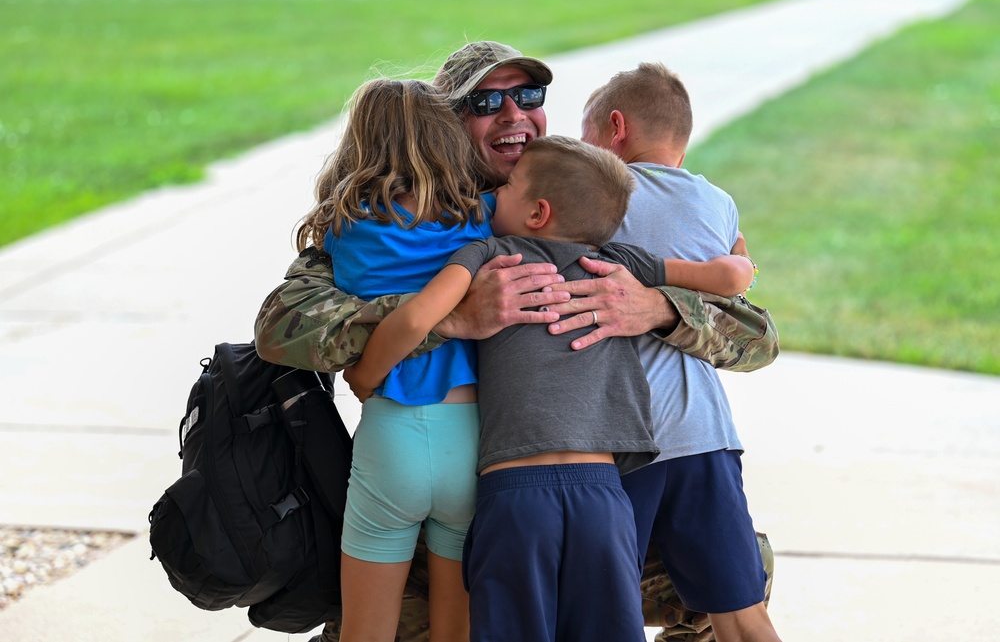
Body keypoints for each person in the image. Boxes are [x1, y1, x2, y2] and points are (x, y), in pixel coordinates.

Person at [254, 42, 779, 642]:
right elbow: (282, 325)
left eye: (529, 97)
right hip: (452, 505)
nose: (513, 115)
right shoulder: (407, 214)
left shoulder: (586, 194)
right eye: (486, 102)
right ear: (447, 123)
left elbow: (756, 334)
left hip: (577, 495)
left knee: (739, 574)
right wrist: (450, 315)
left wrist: (655, 307)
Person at [343, 134, 755, 642]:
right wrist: (743, 264)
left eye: (509, 186)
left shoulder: (488, 254)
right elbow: (725, 278)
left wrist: (364, 376)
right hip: (602, 497)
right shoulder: (620, 263)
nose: (495, 194)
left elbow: (417, 317)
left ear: (537, 212)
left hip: (514, 498)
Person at [581, 62, 781, 642]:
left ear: (615, 128)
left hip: (620, 443)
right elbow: (736, 289)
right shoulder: (719, 205)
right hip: (706, 436)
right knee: (742, 610)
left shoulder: (593, 199)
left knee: (605, 614)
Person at [300, 77, 492, 642]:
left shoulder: (343, 228)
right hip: (471, 435)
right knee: (455, 632)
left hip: (390, 432)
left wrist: (362, 374)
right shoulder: (480, 220)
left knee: (364, 632)